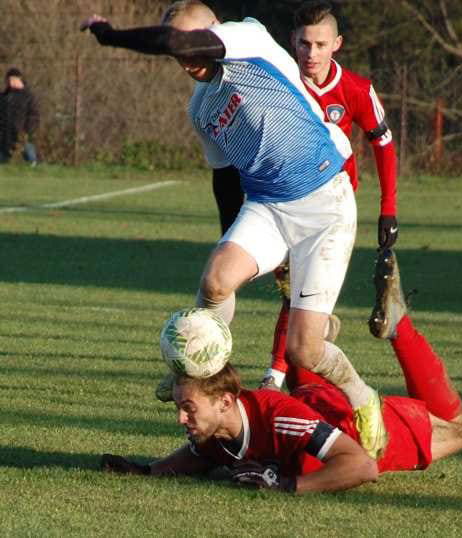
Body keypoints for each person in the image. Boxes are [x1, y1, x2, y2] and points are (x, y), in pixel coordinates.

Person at [80, 1, 387, 450]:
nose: (186, 59)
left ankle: (363, 397)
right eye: (179, 55)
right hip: (267, 205)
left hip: (325, 202)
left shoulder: (247, 39)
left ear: (214, 31)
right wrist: (234, 243)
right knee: (216, 280)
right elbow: (224, 179)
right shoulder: (201, 109)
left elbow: (175, 39)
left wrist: (111, 35)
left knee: (304, 350)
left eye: (192, 46)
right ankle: (197, 367)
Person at [100, 250, 462, 495]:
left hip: (365, 429)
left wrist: (286, 485)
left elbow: (362, 466)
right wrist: (146, 471)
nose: (181, 418)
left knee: (457, 429)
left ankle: (399, 326)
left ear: (225, 401)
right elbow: (199, 456)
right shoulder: (216, 429)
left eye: (188, 408)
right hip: (312, 399)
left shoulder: (278, 418)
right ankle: (299, 301)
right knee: (301, 357)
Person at [260, 0, 400, 391]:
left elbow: (383, 144)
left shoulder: (356, 88)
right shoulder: (279, 83)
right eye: (304, 43)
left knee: (296, 292)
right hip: (284, 200)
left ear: (337, 44)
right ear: (292, 41)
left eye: (321, 44)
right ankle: (311, 340)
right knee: (293, 292)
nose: (311, 53)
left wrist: (388, 208)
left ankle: (274, 376)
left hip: (333, 209)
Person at [0, 68, 39, 165]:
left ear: (19, 79)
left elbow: (34, 116)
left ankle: (34, 166)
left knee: (30, 157)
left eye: (13, 80)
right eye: (8, 80)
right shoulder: (3, 96)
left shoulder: (28, 96)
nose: (10, 82)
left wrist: (26, 131)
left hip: (22, 134)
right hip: (5, 135)